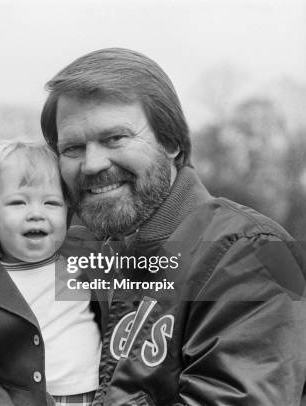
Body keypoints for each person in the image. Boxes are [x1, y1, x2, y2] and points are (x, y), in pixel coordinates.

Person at [41, 47, 306, 406]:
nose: (91, 164)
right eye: (72, 147)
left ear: (171, 141)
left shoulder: (254, 255)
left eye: (114, 138)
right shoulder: (80, 257)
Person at [0, 141, 102, 406]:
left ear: (68, 214)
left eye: (51, 203)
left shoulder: (85, 262)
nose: (36, 214)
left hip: (101, 395)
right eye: (18, 202)